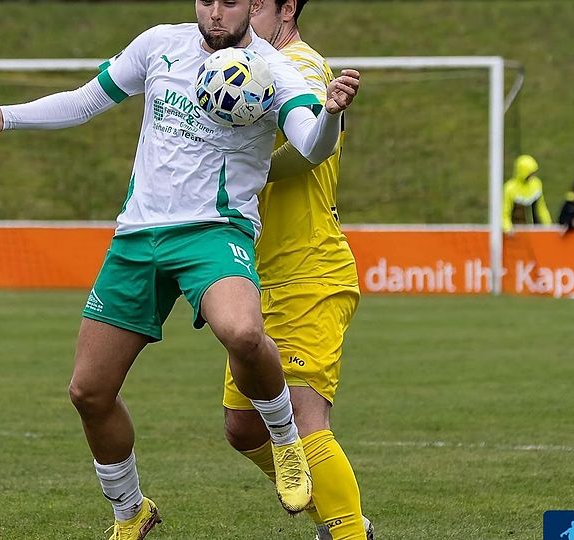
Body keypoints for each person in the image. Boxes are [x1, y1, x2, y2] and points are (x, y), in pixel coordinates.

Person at [0, 1, 360, 537]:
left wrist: (330, 114)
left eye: (229, 1)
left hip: (214, 229)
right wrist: (8, 115)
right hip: (137, 237)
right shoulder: (160, 43)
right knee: (88, 391)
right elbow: (84, 102)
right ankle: (130, 510)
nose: (215, 12)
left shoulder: (274, 70)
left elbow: (309, 142)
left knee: (243, 331)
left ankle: (286, 443)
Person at [220, 1, 372, 539]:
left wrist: (240, 166)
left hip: (310, 268)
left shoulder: (302, 68)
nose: (243, 11)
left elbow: (307, 151)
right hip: (257, 274)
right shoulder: (242, 68)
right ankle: (337, 515)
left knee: (305, 418)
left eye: (257, 3)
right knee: (242, 426)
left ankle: (349, 530)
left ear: (287, 10)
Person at [502, 154, 552, 235]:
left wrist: (549, 226)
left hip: (535, 232)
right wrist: (507, 227)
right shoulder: (509, 188)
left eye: (534, 173)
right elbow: (504, 211)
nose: (533, 176)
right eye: (531, 173)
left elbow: (541, 208)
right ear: (523, 172)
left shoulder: (537, 184)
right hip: (515, 233)